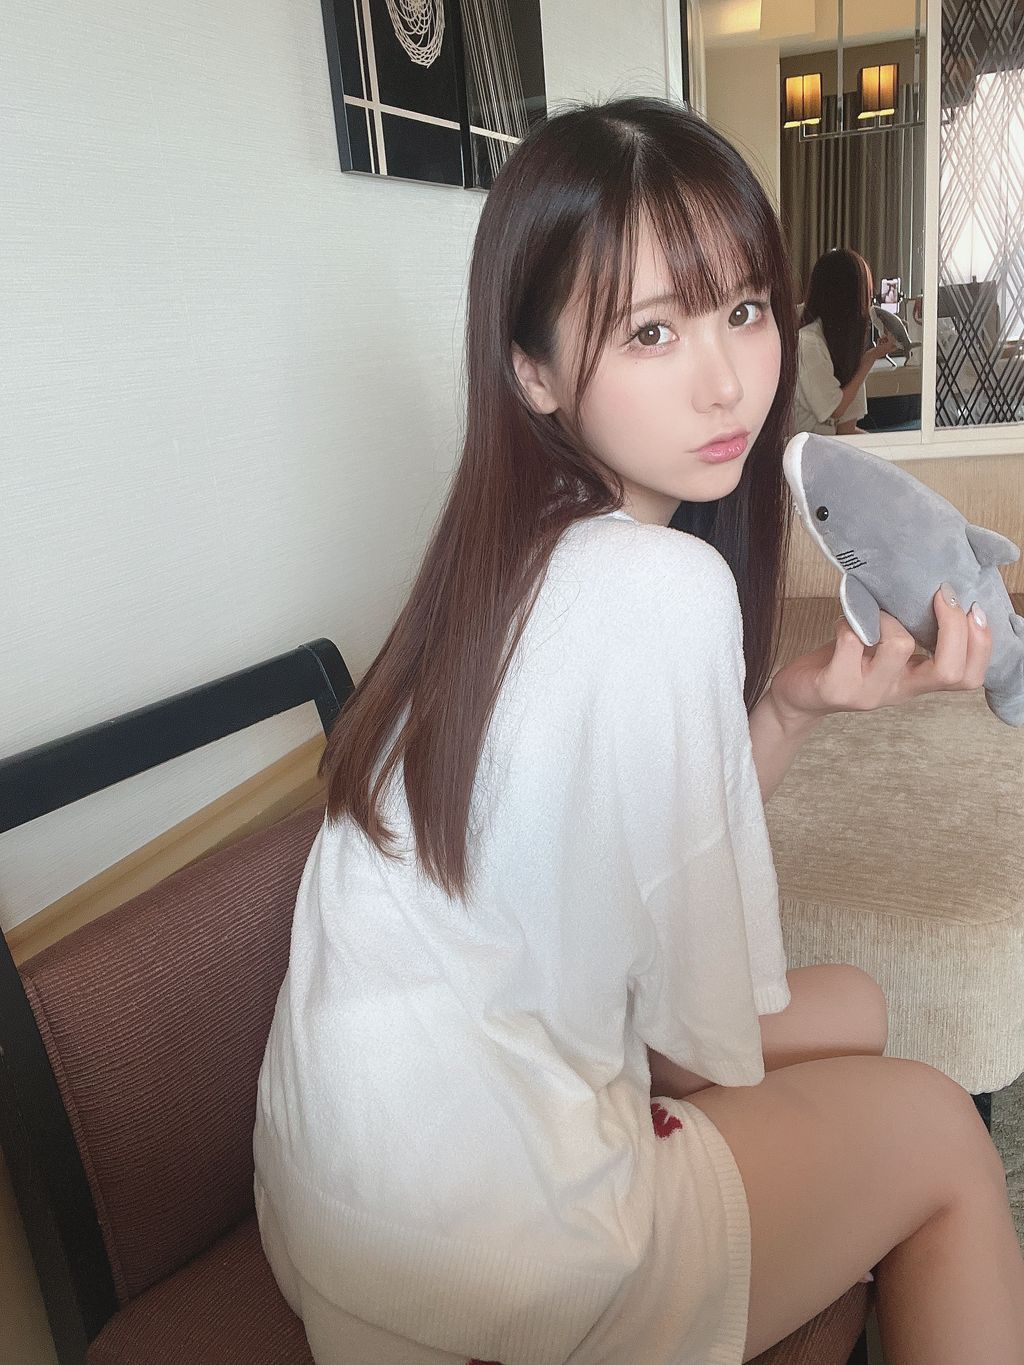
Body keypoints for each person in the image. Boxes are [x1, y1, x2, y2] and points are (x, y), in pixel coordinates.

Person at [252, 96, 1023, 1365]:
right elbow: (678, 1040)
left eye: (744, 311)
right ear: (534, 369)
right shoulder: (658, 585)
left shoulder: (492, 568)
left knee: (855, 1002)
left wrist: (783, 707)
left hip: (339, 1223)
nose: (726, 381)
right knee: (942, 1130)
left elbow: (636, 898)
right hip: (509, 1260)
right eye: (651, 331)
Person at [793, 247, 899, 436]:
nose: (869, 303)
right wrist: (869, 359)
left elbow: (846, 430)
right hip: (807, 450)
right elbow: (835, 410)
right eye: (866, 294)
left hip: (829, 448)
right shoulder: (808, 343)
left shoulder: (844, 348)